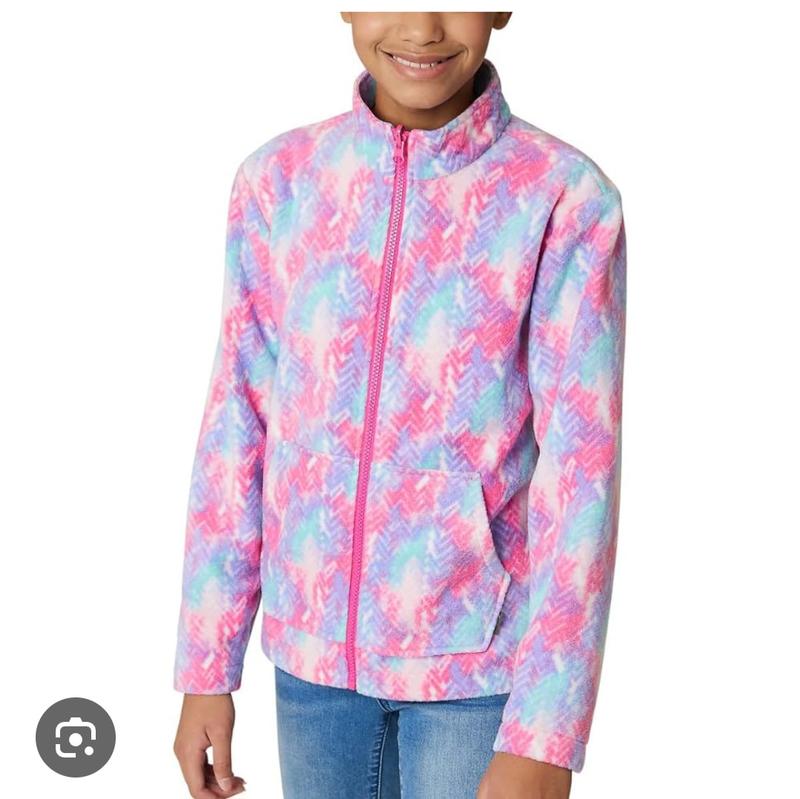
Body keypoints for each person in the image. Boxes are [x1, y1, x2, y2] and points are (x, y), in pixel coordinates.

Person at [172, 11, 626, 799]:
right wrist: (207, 665)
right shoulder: (279, 182)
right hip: (311, 670)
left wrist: (546, 731)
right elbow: (239, 419)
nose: (422, 26)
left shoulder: (562, 198)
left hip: (477, 675)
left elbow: (582, 471)